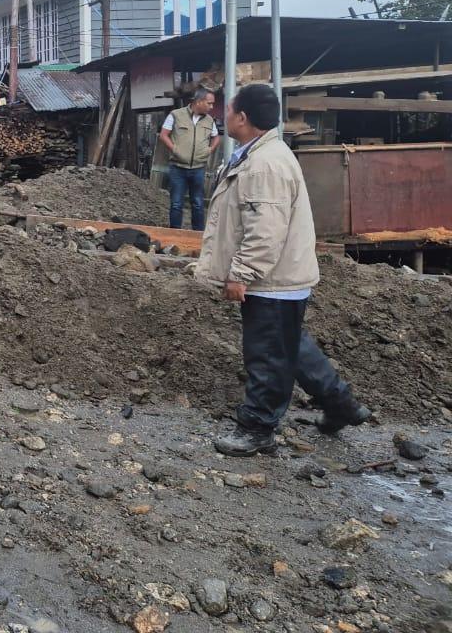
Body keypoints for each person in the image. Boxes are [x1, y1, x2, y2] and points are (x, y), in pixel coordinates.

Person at [197, 84, 371, 457]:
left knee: (268, 355)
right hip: (279, 278)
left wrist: (241, 273)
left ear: (242, 117)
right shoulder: (258, 154)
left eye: (227, 109)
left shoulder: (265, 164)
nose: (222, 115)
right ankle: (341, 404)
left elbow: (266, 230)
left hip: (270, 279)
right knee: (290, 346)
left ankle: (258, 428)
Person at [159, 88, 221, 230]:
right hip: (178, 168)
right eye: (209, 103)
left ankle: (198, 235)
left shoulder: (209, 120)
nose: (212, 107)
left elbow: (216, 137)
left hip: (198, 168)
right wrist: (175, 150)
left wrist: (209, 150)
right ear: (199, 102)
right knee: (176, 203)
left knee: (198, 203)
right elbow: (163, 135)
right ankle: (175, 234)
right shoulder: (176, 115)